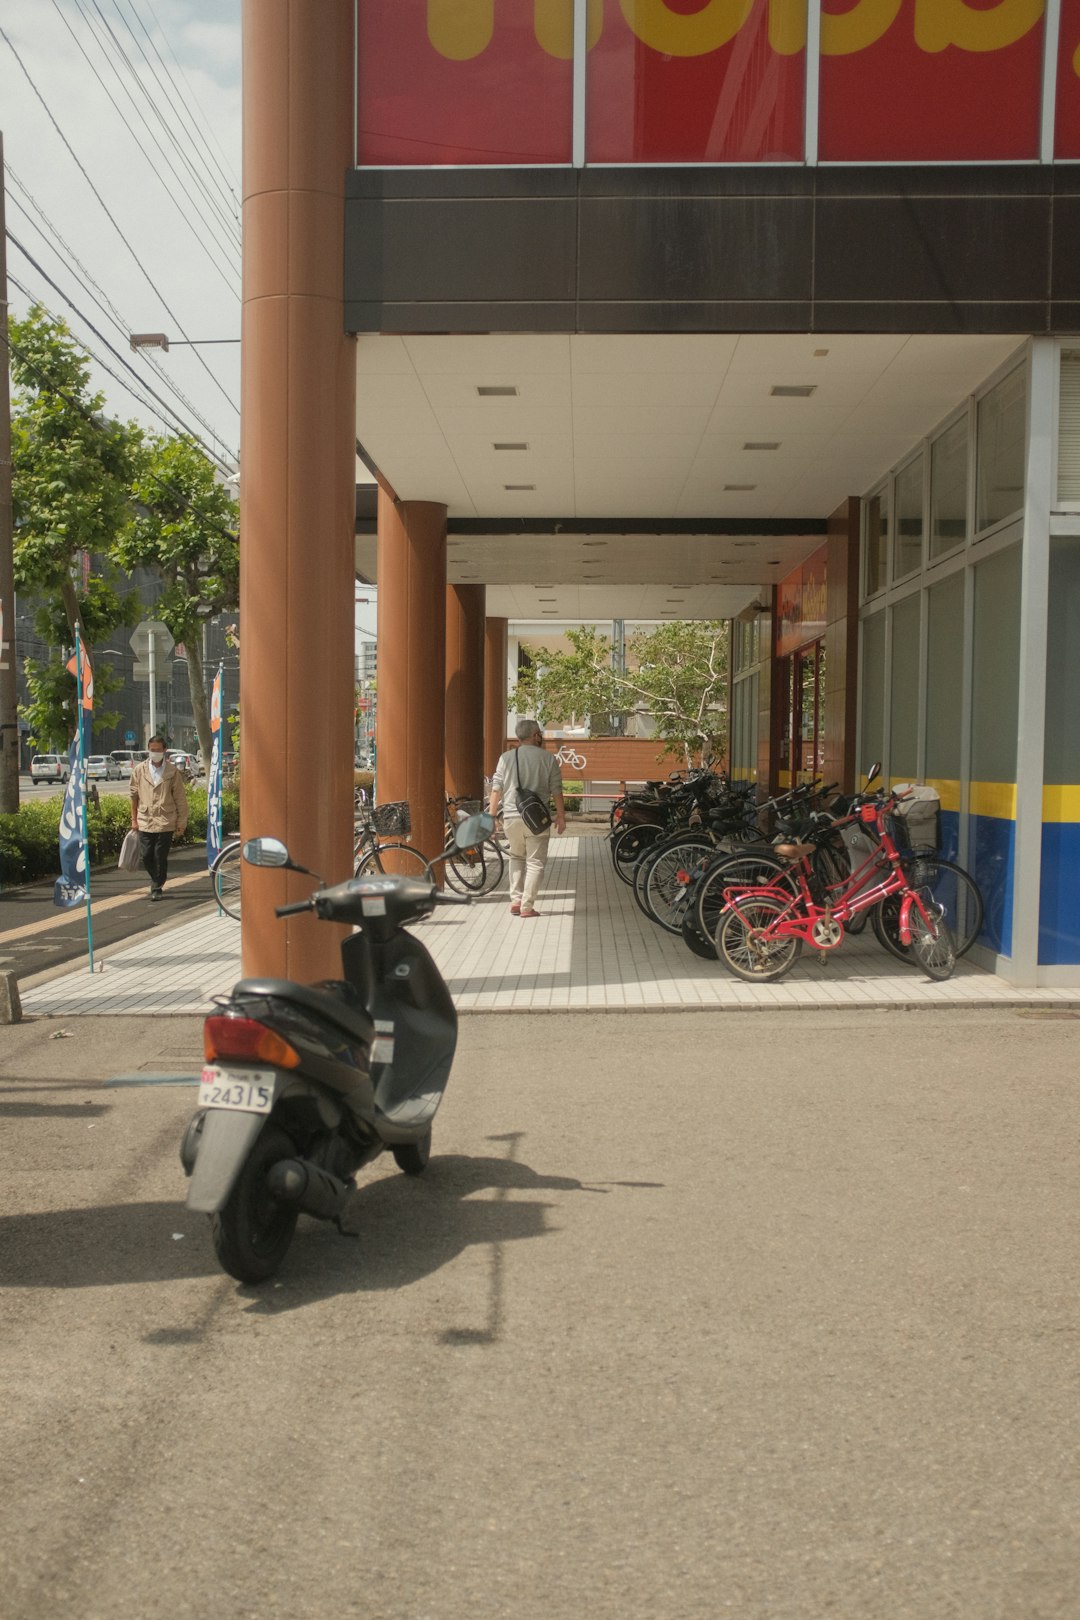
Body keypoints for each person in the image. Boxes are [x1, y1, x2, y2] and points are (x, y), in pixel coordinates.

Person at [488, 718, 565, 918]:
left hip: (511, 817)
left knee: (516, 857)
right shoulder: (548, 759)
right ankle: (526, 906)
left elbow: (496, 788)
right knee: (535, 862)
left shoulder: (506, 758)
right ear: (535, 735)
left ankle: (515, 899)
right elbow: (557, 790)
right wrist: (561, 816)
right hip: (537, 819)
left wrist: (491, 816)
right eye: (539, 733)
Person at [129, 734, 188, 901]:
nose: (154, 753)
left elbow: (180, 799)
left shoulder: (172, 771)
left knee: (159, 855)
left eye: (157, 750)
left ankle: (157, 886)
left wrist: (181, 822)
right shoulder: (139, 770)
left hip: (166, 820)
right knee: (147, 855)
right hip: (145, 819)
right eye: (151, 750)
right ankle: (157, 879)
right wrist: (133, 819)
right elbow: (133, 796)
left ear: (164, 751)